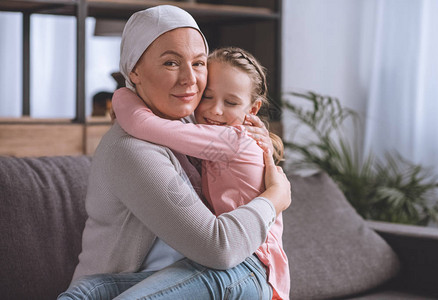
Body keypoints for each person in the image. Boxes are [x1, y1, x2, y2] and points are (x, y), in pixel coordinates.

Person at [58, 5, 290, 300]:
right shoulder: (132, 148)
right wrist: (275, 198)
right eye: (171, 63)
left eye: (198, 63)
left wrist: (262, 143)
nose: (190, 80)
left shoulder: (194, 121)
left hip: (215, 276)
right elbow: (217, 247)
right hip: (149, 281)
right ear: (134, 71)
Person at [111, 46, 290, 299]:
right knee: (91, 289)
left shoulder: (232, 139)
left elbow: (143, 124)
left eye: (231, 102)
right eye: (207, 96)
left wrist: (123, 92)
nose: (215, 110)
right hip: (223, 258)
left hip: (250, 263)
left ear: (252, 110)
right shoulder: (216, 135)